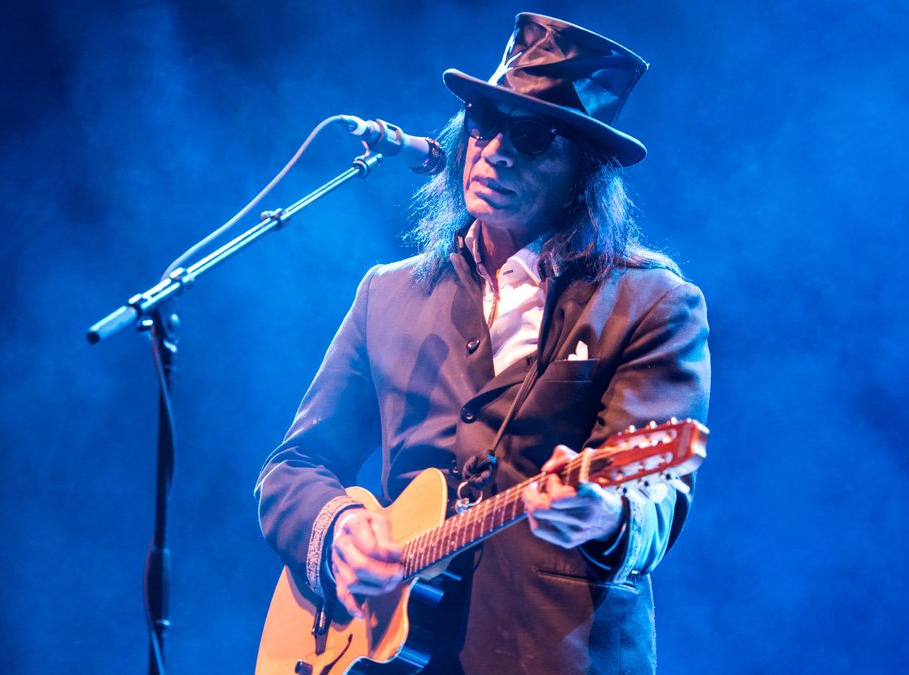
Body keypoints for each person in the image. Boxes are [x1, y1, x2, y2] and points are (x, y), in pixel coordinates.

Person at [255, 12, 710, 673]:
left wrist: (605, 514)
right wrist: (338, 534)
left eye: (530, 137)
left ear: (584, 171)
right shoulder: (388, 293)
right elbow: (291, 468)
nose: (494, 149)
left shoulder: (651, 304)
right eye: (484, 123)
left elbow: (657, 493)